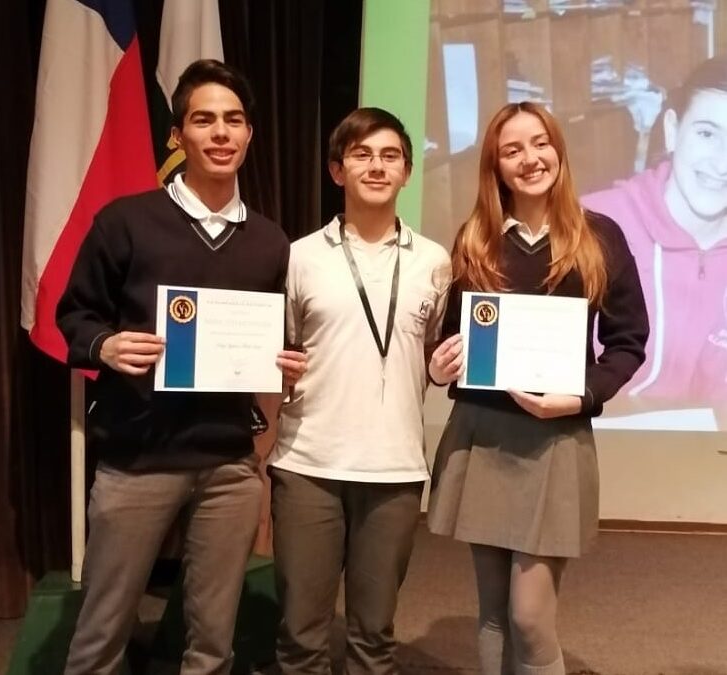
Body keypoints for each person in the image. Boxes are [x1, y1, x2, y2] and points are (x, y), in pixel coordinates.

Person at [56, 59, 306, 675]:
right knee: (101, 634)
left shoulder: (271, 242)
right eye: (204, 120)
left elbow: (267, 345)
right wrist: (105, 347)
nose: (221, 133)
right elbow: (75, 316)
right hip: (138, 460)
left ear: (249, 134)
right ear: (179, 137)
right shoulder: (126, 221)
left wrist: (282, 366)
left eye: (234, 120)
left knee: (212, 642)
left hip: (227, 463)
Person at [426, 101, 648, 675]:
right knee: (495, 613)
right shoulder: (476, 239)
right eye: (512, 150)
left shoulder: (600, 236)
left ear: (558, 149)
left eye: (540, 142)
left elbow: (627, 342)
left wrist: (580, 397)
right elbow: (452, 340)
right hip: (483, 435)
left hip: (554, 442)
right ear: (495, 167)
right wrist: (439, 366)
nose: (530, 158)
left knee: (529, 617)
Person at [267, 107, 452, 674]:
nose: (376, 166)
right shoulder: (299, 255)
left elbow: (431, 353)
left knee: (374, 636)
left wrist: (443, 369)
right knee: (301, 635)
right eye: (362, 155)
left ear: (407, 172)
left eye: (390, 155)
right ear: (337, 170)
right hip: (307, 465)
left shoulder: (434, 261)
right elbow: (281, 351)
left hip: (395, 471)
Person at [582, 55, 727, 412]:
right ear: (673, 130)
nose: (721, 162)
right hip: (596, 450)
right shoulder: (590, 225)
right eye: (707, 133)